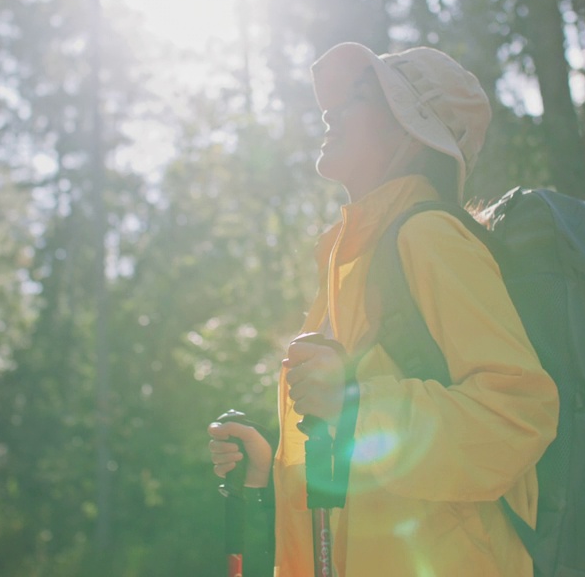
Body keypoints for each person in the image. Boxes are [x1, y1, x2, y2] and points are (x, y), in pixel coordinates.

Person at [208, 42, 559, 576]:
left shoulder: (429, 235)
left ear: (412, 134)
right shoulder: (348, 264)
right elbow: (352, 482)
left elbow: (517, 413)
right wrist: (267, 470)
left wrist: (356, 410)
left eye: (360, 98)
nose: (331, 111)